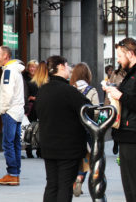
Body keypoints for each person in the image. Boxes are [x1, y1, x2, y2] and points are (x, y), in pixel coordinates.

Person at [35, 56, 90, 202]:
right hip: (68, 147)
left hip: (48, 145)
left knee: (52, 185)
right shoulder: (69, 91)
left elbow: (36, 113)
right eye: (67, 66)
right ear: (60, 67)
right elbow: (88, 109)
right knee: (65, 186)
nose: (70, 69)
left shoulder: (42, 91)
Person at [103, 37, 136, 202]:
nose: (118, 60)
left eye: (120, 56)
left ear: (130, 54)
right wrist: (115, 91)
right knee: (130, 188)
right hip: (128, 135)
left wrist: (121, 96)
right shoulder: (135, 73)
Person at [0, 46, 24, 186]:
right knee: (15, 143)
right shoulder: (15, 70)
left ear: (5, 56)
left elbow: (7, 93)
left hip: (10, 112)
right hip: (17, 111)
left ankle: (12, 174)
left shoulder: (9, 71)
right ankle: (15, 174)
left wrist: (3, 109)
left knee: (8, 143)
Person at [69, 62, 98, 197]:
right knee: (87, 157)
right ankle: (80, 177)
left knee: (74, 156)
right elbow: (96, 111)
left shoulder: (69, 89)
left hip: (71, 129)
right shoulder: (91, 91)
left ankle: (73, 178)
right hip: (87, 129)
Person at [22, 60, 39, 159]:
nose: (32, 69)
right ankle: (29, 150)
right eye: (31, 67)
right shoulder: (24, 78)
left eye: (34, 67)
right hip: (29, 107)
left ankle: (39, 150)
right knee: (29, 128)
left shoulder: (40, 78)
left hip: (39, 105)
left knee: (39, 128)